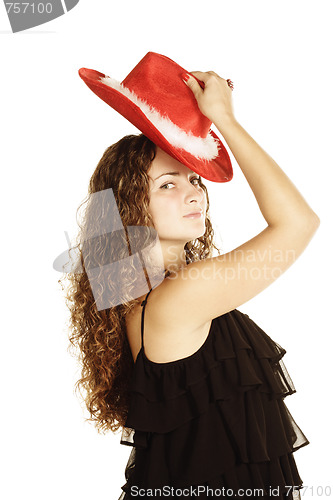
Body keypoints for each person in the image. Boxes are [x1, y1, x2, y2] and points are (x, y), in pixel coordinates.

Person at [62, 53, 320, 499]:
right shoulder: (178, 298)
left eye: (194, 179)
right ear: (129, 207)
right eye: (168, 184)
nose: (194, 193)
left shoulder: (147, 294)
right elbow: (298, 223)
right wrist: (226, 122)